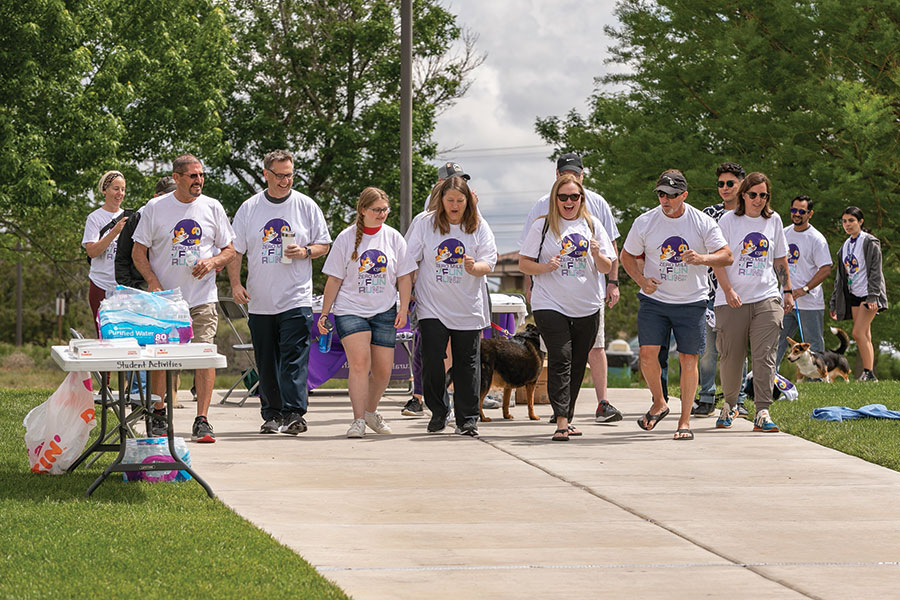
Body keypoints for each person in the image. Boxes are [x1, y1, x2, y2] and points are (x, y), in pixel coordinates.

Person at [132, 154, 236, 443]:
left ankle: (202, 420)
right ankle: (158, 412)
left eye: (201, 175)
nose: (198, 181)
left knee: (204, 357)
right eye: (192, 176)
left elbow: (229, 249)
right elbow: (138, 252)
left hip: (202, 299)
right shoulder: (155, 208)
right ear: (176, 178)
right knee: (159, 360)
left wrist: (213, 262)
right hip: (165, 300)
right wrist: (152, 281)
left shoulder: (213, 207)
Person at [621, 170, 731, 440]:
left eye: (671, 195)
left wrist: (702, 259)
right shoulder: (645, 221)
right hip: (654, 300)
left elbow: (726, 256)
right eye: (661, 194)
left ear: (684, 195)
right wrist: (641, 279)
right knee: (647, 356)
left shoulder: (701, 222)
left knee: (688, 359)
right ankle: (659, 402)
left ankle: (684, 422)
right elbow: (626, 255)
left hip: (691, 301)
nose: (665, 200)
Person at [228, 149, 332, 435]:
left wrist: (306, 251)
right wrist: (236, 284)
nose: (286, 180)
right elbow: (235, 251)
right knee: (267, 359)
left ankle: (295, 413)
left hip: (295, 297)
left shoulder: (306, 205)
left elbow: (324, 244)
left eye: (290, 174)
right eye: (280, 175)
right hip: (261, 299)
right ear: (266, 174)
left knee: (295, 356)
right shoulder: (250, 208)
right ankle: (272, 414)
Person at [518, 153, 624, 424]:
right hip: (549, 302)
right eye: (563, 197)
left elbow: (606, 263)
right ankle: (562, 419)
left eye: (574, 197)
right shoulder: (541, 223)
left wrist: (602, 261)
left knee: (579, 361)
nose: (568, 202)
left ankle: (567, 410)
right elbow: (524, 263)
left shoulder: (593, 222)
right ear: (555, 196)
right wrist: (544, 269)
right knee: (561, 356)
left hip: (586, 303)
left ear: (582, 196)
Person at [401, 175, 497, 437]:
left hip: (468, 307)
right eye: (450, 200)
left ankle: (467, 419)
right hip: (432, 306)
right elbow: (408, 260)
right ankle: (439, 410)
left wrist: (474, 267)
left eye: (460, 200)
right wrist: (406, 293)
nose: (455, 205)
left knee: (468, 364)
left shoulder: (478, 225)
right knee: (432, 359)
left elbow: (489, 261)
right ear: (441, 200)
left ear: (468, 201)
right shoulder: (425, 223)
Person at [318, 187, 413, 437]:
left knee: (384, 371)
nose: (382, 214)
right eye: (376, 210)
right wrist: (325, 314)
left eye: (385, 210)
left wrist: (403, 307)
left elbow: (404, 277)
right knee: (360, 363)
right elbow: (334, 279)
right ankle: (358, 420)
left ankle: (371, 412)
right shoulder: (346, 238)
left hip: (384, 310)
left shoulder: (394, 238)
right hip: (350, 309)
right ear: (363, 211)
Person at [712, 172, 792, 433]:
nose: (758, 200)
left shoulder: (774, 220)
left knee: (765, 356)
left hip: (766, 297)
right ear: (743, 194)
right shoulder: (728, 221)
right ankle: (731, 404)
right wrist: (728, 290)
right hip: (731, 299)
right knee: (731, 356)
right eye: (753, 194)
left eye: (763, 195)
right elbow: (719, 260)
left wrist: (787, 291)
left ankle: (762, 411)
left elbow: (780, 259)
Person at [401, 162, 472, 418]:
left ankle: (450, 398)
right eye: (452, 180)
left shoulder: (471, 213)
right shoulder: (425, 217)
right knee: (427, 347)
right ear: (440, 185)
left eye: (462, 180)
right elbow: (411, 257)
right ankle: (422, 397)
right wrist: (409, 286)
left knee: (458, 351)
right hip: (430, 295)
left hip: (462, 296)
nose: (458, 184)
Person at [692, 162, 749, 416]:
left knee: (736, 350)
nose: (724, 188)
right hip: (709, 293)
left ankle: (739, 400)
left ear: (741, 185)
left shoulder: (751, 214)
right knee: (706, 351)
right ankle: (705, 397)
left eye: (730, 183)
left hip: (740, 292)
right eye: (720, 184)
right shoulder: (708, 214)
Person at [774, 195, 834, 368]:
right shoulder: (783, 233)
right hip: (785, 299)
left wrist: (804, 289)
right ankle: (769, 378)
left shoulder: (816, 238)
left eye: (802, 211)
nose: (797, 214)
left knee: (813, 344)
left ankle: (817, 382)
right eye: (794, 210)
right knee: (777, 341)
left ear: (810, 213)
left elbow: (825, 268)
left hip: (809, 302)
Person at [830, 206, 888, 381]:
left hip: (868, 294)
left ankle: (868, 372)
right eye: (844, 221)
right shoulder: (845, 245)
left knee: (857, 333)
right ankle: (869, 374)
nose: (847, 224)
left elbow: (876, 271)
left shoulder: (870, 242)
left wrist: (873, 296)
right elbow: (840, 278)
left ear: (860, 222)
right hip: (853, 294)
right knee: (865, 334)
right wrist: (834, 302)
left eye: (851, 221)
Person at [83, 171, 129, 334]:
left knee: (124, 335)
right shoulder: (95, 218)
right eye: (116, 188)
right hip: (100, 284)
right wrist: (114, 232)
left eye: (123, 189)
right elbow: (92, 251)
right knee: (104, 334)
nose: (120, 194)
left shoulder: (129, 217)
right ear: (105, 190)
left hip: (124, 287)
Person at [116, 176, 176, 290]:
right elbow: (122, 256)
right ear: (155, 197)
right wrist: (130, 287)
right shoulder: (138, 218)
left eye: (174, 194)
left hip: (174, 284)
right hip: (143, 286)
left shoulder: (182, 216)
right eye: (167, 195)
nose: (171, 199)